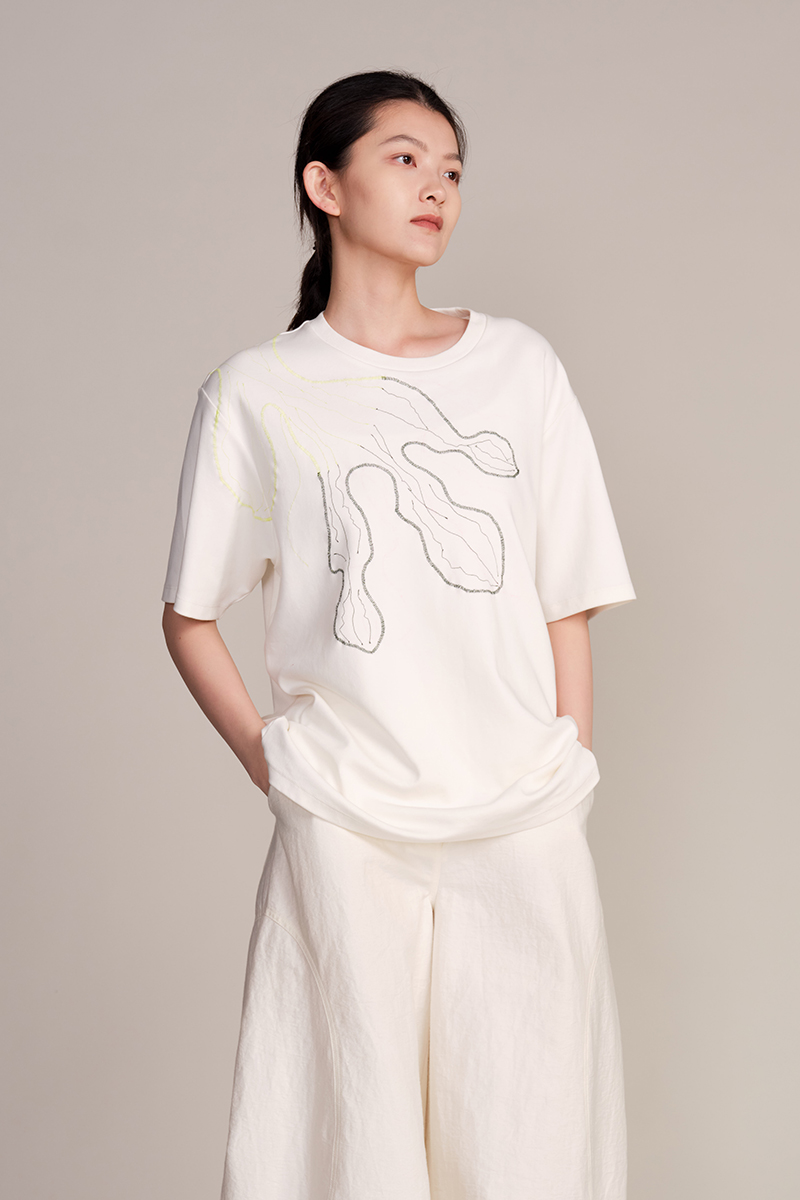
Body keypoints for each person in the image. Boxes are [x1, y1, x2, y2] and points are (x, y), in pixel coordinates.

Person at [161, 68, 636, 1200]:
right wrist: (276, 765)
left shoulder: (518, 367)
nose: (436, 188)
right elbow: (189, 613)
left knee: (527, 1138)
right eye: (405, 159)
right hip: (345, 818)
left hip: (519, 809)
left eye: (452, 169)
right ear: (324, 186)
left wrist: (567, 762)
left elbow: (566, 589)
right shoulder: (259, 391)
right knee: (342, 1144)